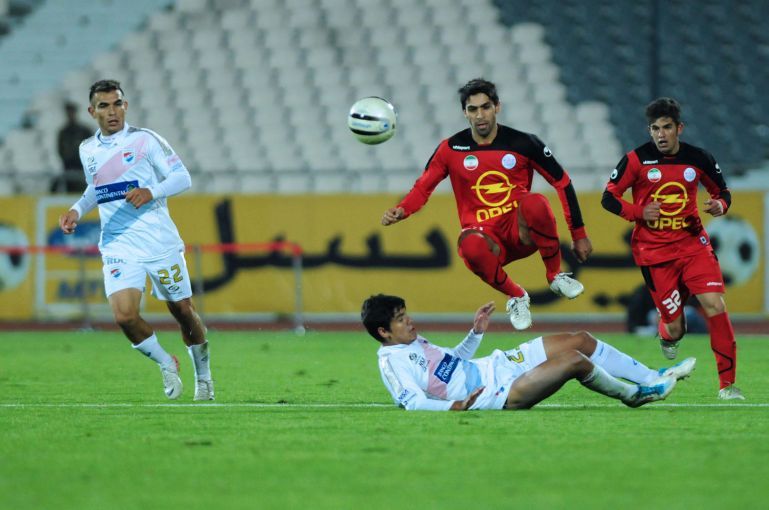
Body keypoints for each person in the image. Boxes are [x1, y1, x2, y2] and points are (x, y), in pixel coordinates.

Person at [381, 78, 592, 331]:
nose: (480, 115)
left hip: (520, 232)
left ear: (497, 107)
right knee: (468, 244)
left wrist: (579, 234)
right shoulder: (450, 149)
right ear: (465, 112)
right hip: (487, 240)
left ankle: (555, 275)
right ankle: (517, 296)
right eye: (473, 109)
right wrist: (403, 209)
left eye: (486, 107)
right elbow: (423, 186)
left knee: (536, 202)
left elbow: (562, 182)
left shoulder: (524, 143)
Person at [58, 79, 213, 401]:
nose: (112, 111)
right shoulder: (87, 149)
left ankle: (204, 378)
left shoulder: (145, 140)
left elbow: (182, 177)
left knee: (183, 312)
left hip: (158, 242)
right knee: (124, 316)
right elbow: (96, 188)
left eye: (117, 103)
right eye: (104, 106)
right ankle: (165, 362)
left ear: (125, 106)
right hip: (118, 244)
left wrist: (151, 191)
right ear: (92, 112)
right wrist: (77, 209)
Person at [601, 97, 743, 400]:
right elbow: (609, 198)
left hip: (693, 246)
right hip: (654, 254)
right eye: (655, 128)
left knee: (715, 305)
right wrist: (639, 212)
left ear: (679, 128)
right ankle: (667, 334)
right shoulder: (636, 160)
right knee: (676, 328)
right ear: (649, 130)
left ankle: (727, 385)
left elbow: (723, 191)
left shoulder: (698, 158)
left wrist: (720, 204)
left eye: (666, 127)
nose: (661, 134)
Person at [362, 294, 695, 411]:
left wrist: (475, 332)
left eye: (406, 315)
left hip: (498, 364)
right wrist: (457, 406)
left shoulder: (412, 341)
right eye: (401, 319)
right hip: (499, 392)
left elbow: (454, 363)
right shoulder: (392, 362)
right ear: (383, 332)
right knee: (575, 362)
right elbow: (411, 402)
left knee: (580, 340)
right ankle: (634, 395)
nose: (410, 321)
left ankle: (652, 376)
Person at [51, 101, 92, 193]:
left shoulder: (85, 131)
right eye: (68, 112)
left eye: (71, 112)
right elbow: (60, 151)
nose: (70, 114)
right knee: (71, 193)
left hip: (82, 170)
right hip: (68, 169)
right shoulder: (63, 132)